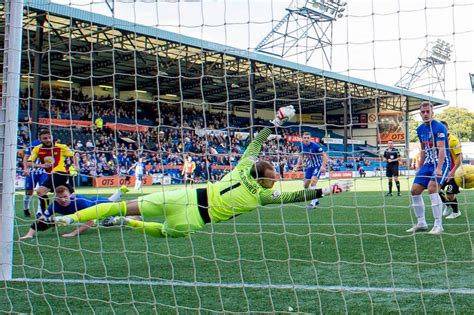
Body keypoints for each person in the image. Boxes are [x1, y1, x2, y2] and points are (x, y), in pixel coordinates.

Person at [55, 106, 352, 238]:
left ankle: (71, 217)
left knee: (123, 205)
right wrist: (329, 190)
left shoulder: (242, 168)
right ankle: (125, 223)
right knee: (162, 232)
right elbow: (297, 196)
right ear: (265, 179)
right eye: (274, 176)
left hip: (186, 195)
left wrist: (275, 121)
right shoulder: (264, 196)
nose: (277, 177)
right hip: (196, 218)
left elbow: (257, 142)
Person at [19, 185, 129, 240]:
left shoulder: (79, 202)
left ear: (70, 196)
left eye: (65, 197)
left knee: (113, 205)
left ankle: (121, 191)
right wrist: (30, 234)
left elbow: (91, 222)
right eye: (59, 197)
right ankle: (121, 191)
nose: (63, 200)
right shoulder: (55, 204)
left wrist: (74, 233)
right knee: (112, 203)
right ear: (55, 198)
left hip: (97, 204)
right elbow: (42, 218)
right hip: (91, 206)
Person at [406, 102, 451, 235]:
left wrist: (438, 168)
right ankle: (421, 223)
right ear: (420, 113)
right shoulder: (420, 129)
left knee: (432, 188)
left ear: (432, 113)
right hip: (428, 163)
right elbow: (423, 149)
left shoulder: (439, 127)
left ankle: (438, 225)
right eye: (423, 112)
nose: (425, 114)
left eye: (428, 111)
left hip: (442, 163)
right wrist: (420, 166)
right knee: (414, 190)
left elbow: (442, 149)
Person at [27, 129, 77, 216]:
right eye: (45, 138)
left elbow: (74, 155)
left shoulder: (61, 147)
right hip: (51, 175)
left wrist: (76, 166)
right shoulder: (37, 149)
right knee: (64, 194)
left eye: (49, 137)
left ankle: (44, 215)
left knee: (40, 191)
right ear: (40, 140)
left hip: (60, 173)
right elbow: (28, 163)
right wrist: (42, 166)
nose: (48, 140)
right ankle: (77, 209)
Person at [293, 132, 328, 208]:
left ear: (310, 138)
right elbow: (301, 156)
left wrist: (323, 166)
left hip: (317, 166)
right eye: (305, 138)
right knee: (305, 185)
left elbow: (324, 155)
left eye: (307, 138)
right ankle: (316, 200)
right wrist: (297, 165)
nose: (306, 139)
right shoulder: (301, 146)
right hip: (309, 167)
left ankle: (313, 203)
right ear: (302, 138)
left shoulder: (315, 146)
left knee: (313, 183)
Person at [439, 121, 463, 219]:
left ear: (447, 128)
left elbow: (460, 157)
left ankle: (456, 212)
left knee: (450, 193)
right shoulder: (437, 141)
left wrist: (452, 172)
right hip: (443, 171)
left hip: (454, 171)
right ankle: (448, 205)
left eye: (444, 128)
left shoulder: (453, 140)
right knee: (434, 189)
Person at [22, 139, 48, 217]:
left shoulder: (52, 144)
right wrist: (25, 168)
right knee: (29, 192)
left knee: (42, 191)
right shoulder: (34, 144)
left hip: (44, 172)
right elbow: (26, 157)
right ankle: (26, 208)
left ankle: (39, 212)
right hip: (32, 171)